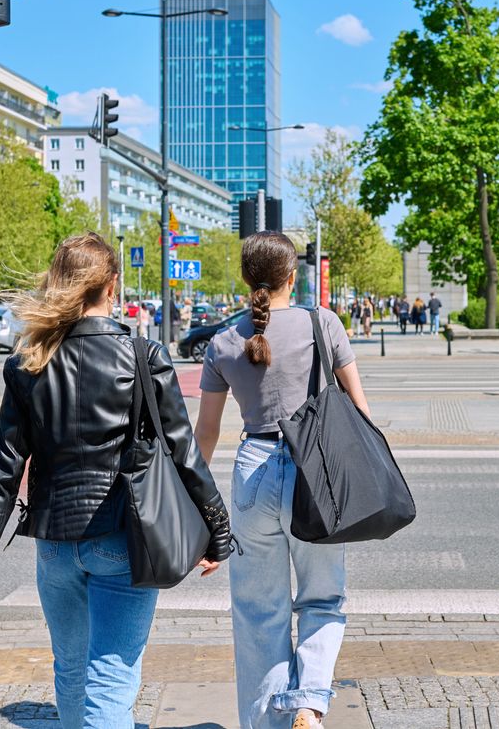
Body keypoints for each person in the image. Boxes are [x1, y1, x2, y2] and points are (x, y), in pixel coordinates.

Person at [0, 232, 232, 729]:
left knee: (73, 671)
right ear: (112, 286)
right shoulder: (143, 357)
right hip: (123, 539)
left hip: (55, 546)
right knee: (110, 678)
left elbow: (5, 468)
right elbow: (184, 453)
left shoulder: (28, 363)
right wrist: (218, 531)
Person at [194, 231, 373, 729]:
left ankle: (268, 723)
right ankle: (310, 704)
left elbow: (206, 433)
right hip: (315, 474)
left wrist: (195, 504)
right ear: (293, 276)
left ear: (246, 279)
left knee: (257, 611)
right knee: (322, 596)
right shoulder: (324, 324)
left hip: (252, 469)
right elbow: (359, 409)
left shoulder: (224, 341)